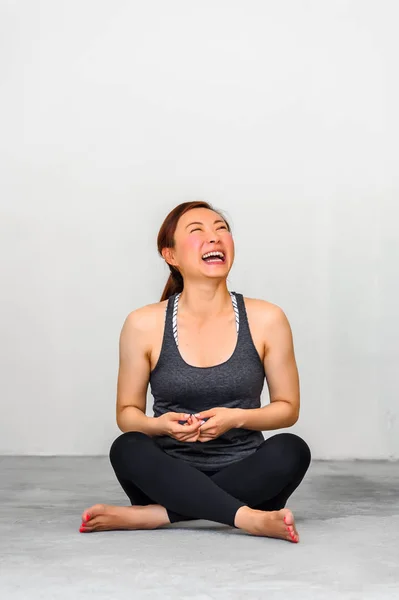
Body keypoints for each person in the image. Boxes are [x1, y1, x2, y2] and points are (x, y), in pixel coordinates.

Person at [80, 201, 311, 543]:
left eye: (221, 229)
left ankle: (156, 516)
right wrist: (158, 426)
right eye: (197, 231)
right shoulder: (143, 323)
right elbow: (127, 414)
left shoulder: (267, 319)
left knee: (292, 449)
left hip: (247, 473)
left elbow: (287, 408)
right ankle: (248, 518)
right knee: (127, 446)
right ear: (170, 255)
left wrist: (236, 418)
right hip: (166, 475)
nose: (214, 238)